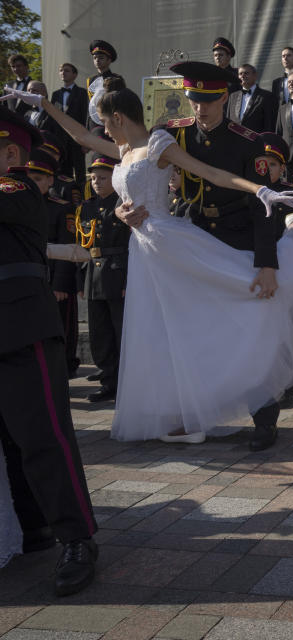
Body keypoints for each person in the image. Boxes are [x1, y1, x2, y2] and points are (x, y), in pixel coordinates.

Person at [6, 63, 293, 450]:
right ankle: (187, 412)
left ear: (223, 98)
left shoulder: (227, 141)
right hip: (163, 244)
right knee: (176, 332)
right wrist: (45, 105)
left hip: (212, 241)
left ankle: (263, 413)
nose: (199, 108)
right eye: (194, 100)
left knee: (244, 316)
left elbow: (212, 174)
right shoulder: (152, 138)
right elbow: (84, 136)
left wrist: (261, 194)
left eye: (207, 100)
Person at [0, 107, 99, 594]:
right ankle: (33, 528)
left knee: (45, 439)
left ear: (11, 152)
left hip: (20, 327)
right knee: (10, 439)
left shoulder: (18, 188)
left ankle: (77, 538)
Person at [18, 148, 81, 377]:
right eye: (28, 178)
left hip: (54, 279)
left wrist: (61, 284)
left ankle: (64, 369)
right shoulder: (18, 204)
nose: (33, 184)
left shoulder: (61, 208)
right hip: (29, 279)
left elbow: (69, 244)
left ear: (50, 180)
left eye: (38, 179)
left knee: (61, 328)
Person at [76, 155, 126, 403]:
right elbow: (82, 246)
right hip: (93, 276)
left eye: (103, 178)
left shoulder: (123, 203)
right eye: (93, 178)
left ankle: (125, 383)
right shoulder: (86, 206)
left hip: (117, 272)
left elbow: (131, 244)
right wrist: (80, 282)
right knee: (100, 334)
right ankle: (108, 381)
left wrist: (128, 280)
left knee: (120, 333)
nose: (97, 182)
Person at [51, 63, 89, 185]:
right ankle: (66, 198)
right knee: (62, 171)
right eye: (61, 70)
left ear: (74, 74)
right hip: (61, 141)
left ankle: (83, 199)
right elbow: (53, 118)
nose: (63, 73)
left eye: (66, 70)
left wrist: (86, 141)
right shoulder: (56, 94)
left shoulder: (82, 93)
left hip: (77, 139)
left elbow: (85, 117)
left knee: (79, 172)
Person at [227, 64, 279, 133]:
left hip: (257, 141)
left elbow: (270, 124)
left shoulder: (267, 96)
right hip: (235, 141)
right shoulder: (232, 96)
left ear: (255, 76)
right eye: (240, 74)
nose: (242, 76)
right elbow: (228, 121)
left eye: (246, 73)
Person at [85, 40, 123, 128]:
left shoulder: (116, 79)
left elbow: (119, 103)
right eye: (95, 58)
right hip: (93, 124)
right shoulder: (90, 80)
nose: (97, 60)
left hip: (110, 122)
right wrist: (87, 126)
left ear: (109, 60)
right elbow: (90, 106)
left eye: (101, 58)